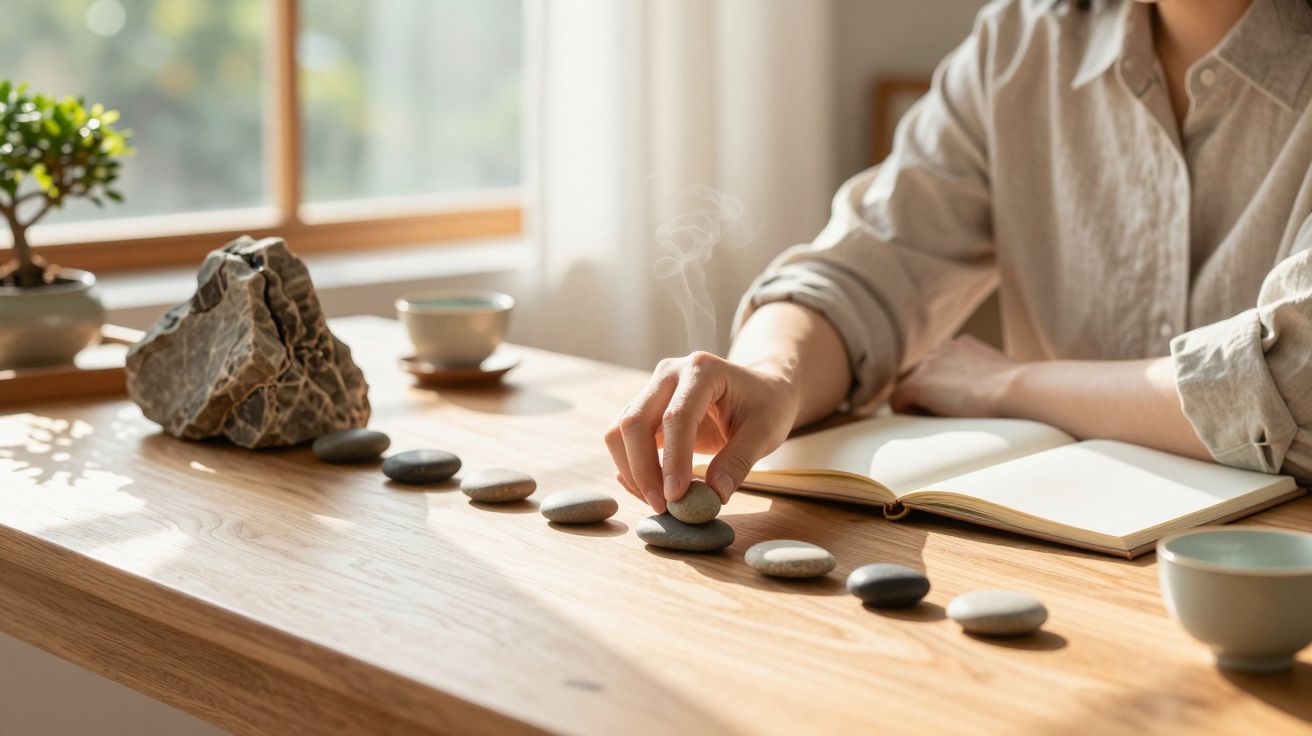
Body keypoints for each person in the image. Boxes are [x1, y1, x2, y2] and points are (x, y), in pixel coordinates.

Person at [605, 0, 1312, 513]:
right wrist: (770, 375)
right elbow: (865, 267)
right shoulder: (1022, 43)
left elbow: (1294, 384)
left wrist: (1011, 385)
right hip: (1059, 553)